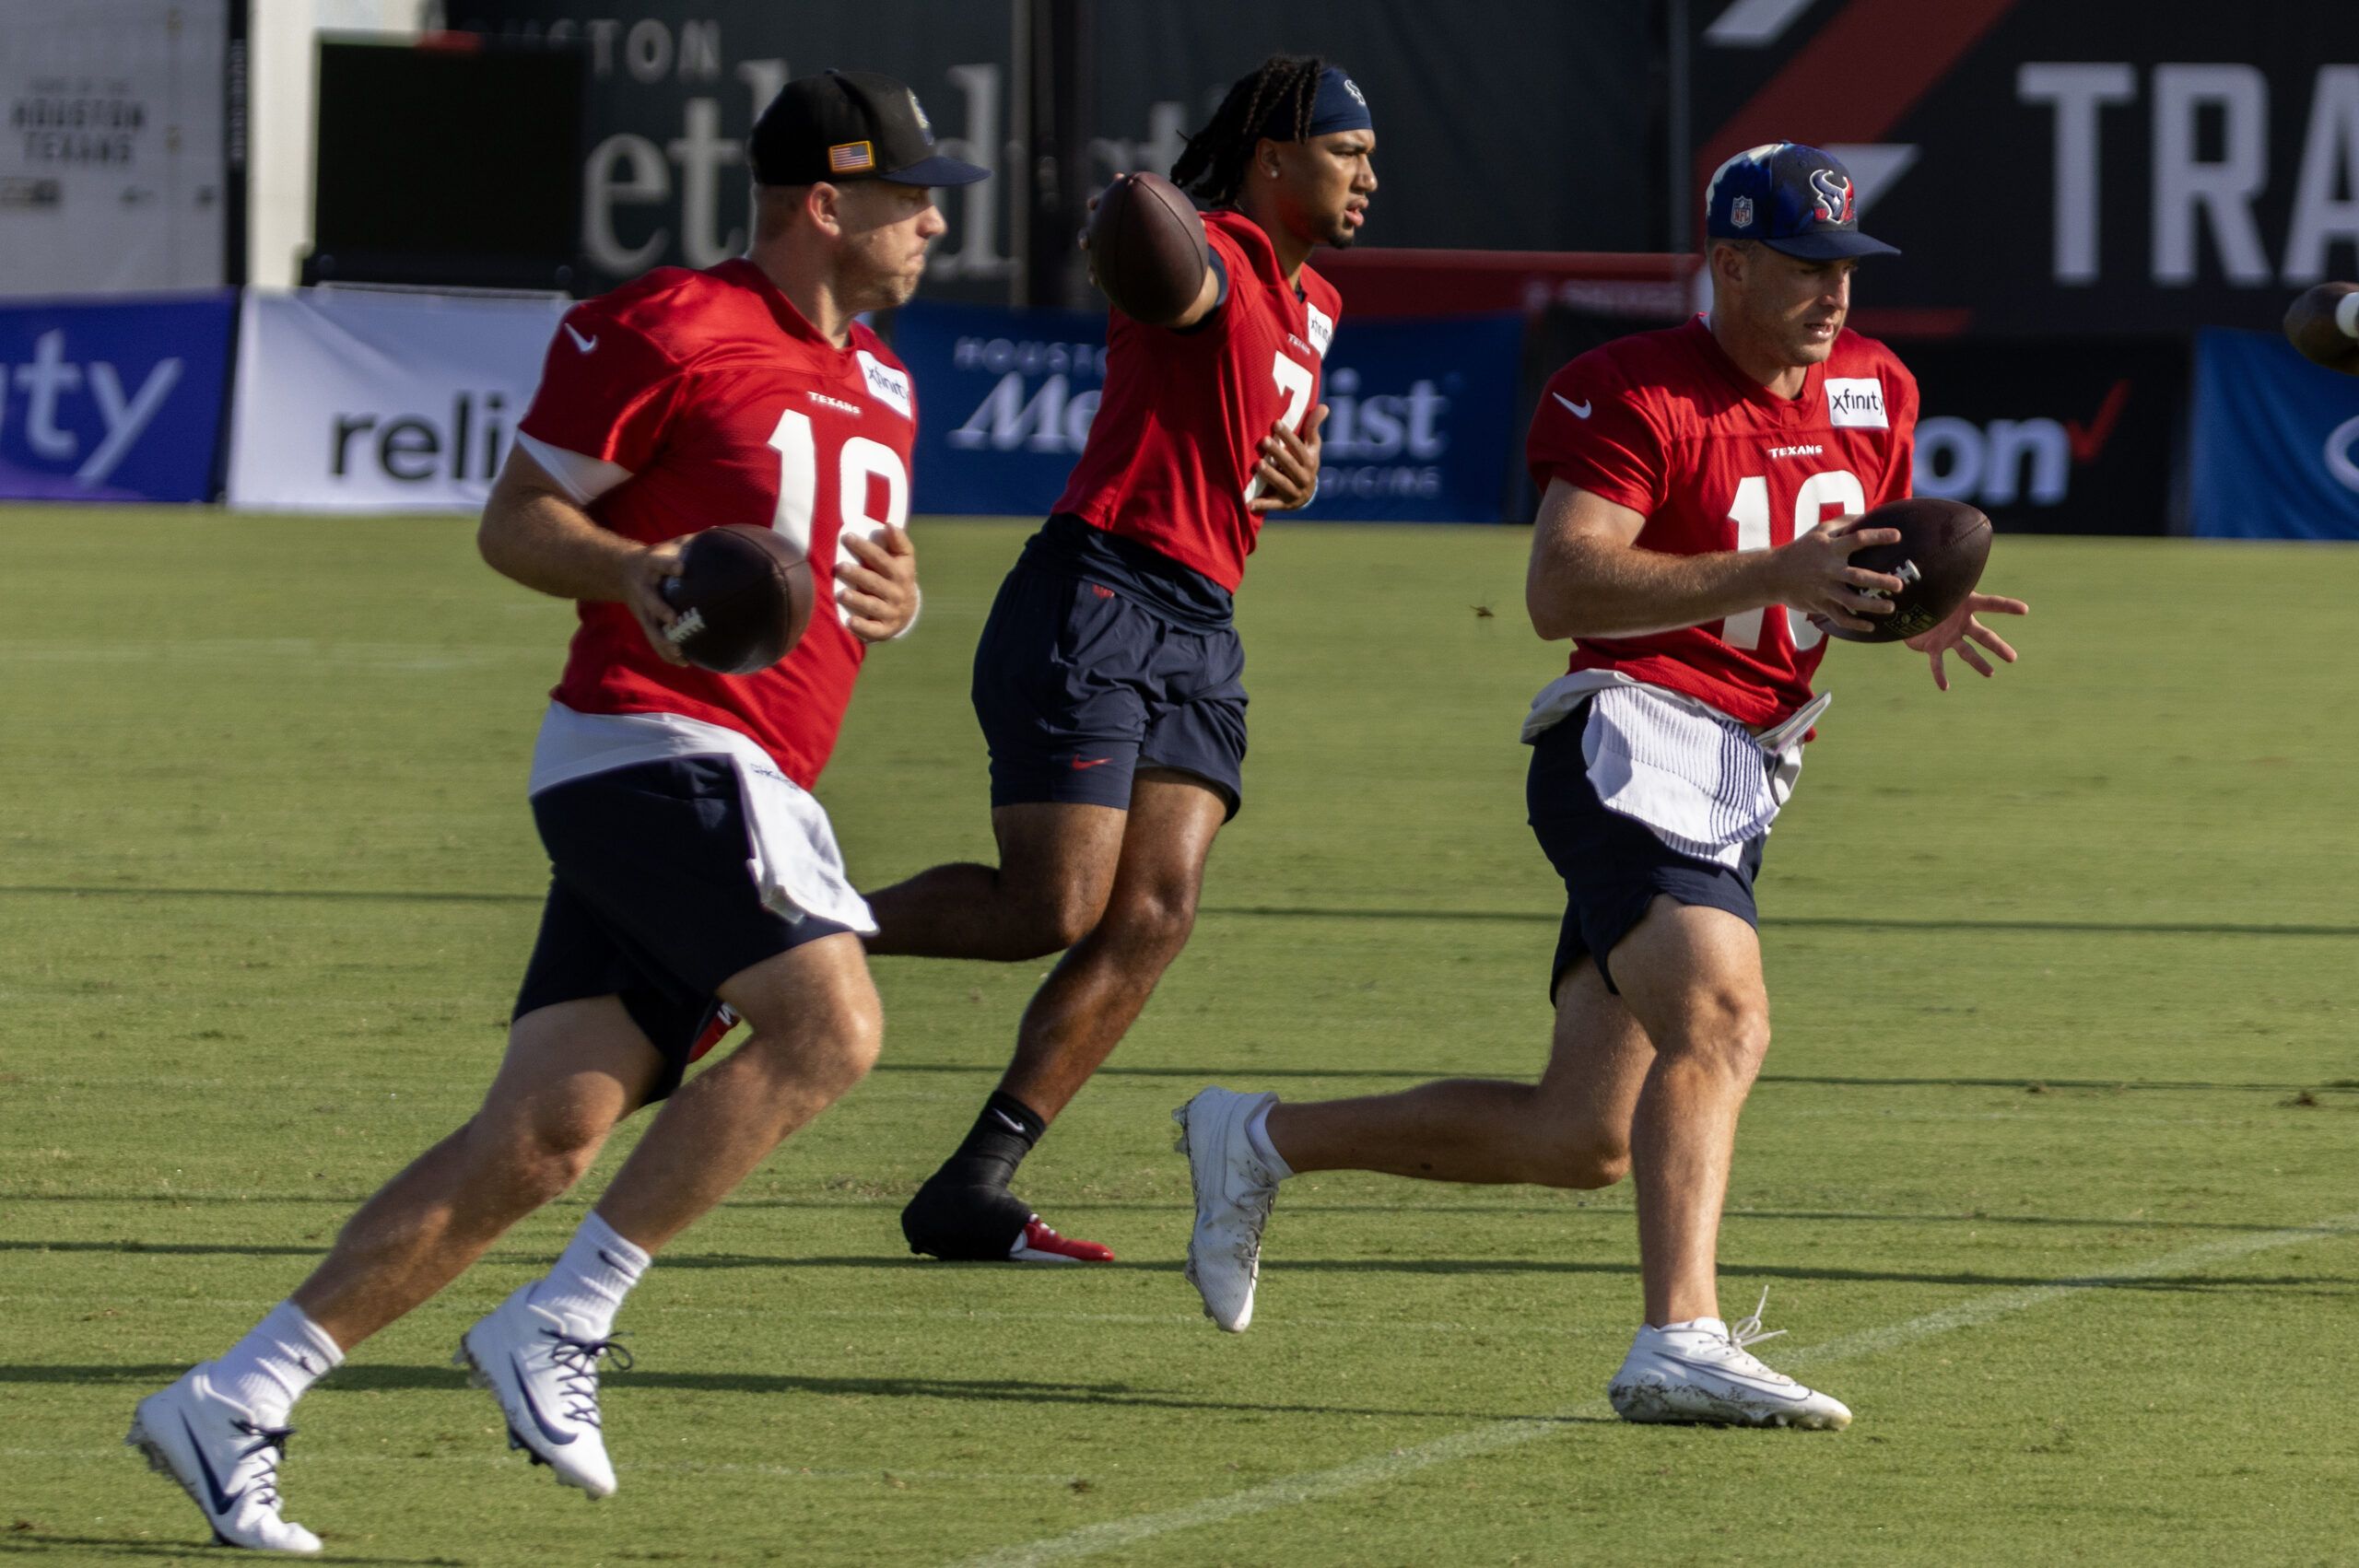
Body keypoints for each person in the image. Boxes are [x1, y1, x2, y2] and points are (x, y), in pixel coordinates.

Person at [123, 71, 978, 1551]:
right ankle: (565, 1323)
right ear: (826, 205)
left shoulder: (888, 378)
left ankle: (235, 1396)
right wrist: (633, 568)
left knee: (541, 1137)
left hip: (746, 770)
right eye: (911, 196)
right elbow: (518, 516)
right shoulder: (667, 325)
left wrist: (896, 604)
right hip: (655, 744)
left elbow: (857, 571)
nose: (936, 220)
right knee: (831, 1026)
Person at [1173, 142, 2029, 1429]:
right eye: (1804, 266)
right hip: (1630, 738)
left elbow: (1834, 562)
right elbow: (1560, 589)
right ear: (1729, 263)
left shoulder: (1877, 387)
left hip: (1749, 769)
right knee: (1726, 1019)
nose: (1835, 294)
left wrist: (1897, 614)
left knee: (1582, 1136)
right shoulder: (1631, 390)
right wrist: (1768, 576)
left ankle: (1259, 1138)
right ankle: (1679, 1336)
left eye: (1849, 266)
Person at [862, 55, 1379, 1264]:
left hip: (1203, 621)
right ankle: (774, 927)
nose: (1370, 175)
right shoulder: (1225, 255)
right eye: (1349, 151)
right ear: (1275, 159)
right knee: (1050, 905)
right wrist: (1136, 203)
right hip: (1098, 586)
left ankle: (974, 1180)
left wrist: (1294, 474)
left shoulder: (1324, 306)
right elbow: (1166, 259)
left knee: (1155, 909)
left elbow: (1270, 448)